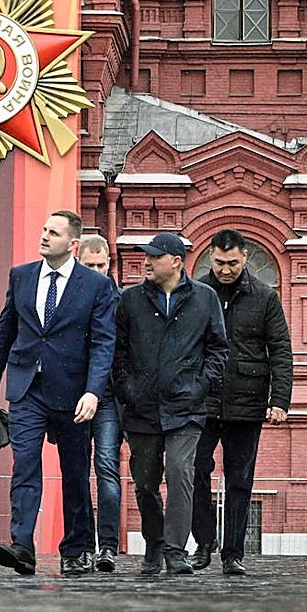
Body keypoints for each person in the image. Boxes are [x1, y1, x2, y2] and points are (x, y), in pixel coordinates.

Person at [0, 210, 117, 576]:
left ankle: (75, 548)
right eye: (43, 230)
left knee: (74, 471)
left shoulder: (96, 286)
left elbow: (103, 343)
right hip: (27, 389)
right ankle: (22, 545)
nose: (44, 236)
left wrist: (93, 392)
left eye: (53, 233)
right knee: (24, 464)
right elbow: (4, 334)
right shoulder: (21, 277)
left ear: (72, 244)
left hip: (73, 393)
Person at [113, 232, 228, 575]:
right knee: (146, 482)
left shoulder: (204, 298)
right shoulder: (129, 300)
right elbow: (117, 351)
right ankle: (154, 542)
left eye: (153, 256)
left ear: (176, 261)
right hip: (141, 408)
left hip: (186, 407)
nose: (145, 262)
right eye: (145, 256)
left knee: (181, 474)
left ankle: (176, 549)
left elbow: (219, 349)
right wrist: (126, 388)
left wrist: (201, 385)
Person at [189, 229, 293, 575]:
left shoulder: (265, 297)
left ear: (245, 258)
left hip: (247, 400)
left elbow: (280, 350)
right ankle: (203, 543)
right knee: (194, 470)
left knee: (240, 478)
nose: (226, 269)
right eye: (219, 262)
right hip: (202, 400)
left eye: (233, 262)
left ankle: (232, 553)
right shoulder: (197, 293)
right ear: (210, 257)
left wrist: (279, 399)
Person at [77, 234, 123, 572]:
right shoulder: (67, 298)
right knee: (76, 472)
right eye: (90, 265)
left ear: (109, 265)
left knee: (107, 468)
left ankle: (107, 547)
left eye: (101, 265)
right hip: (74, 394)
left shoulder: (121, 301)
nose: (96, 271)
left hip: (107, 396)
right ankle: (80, 546)